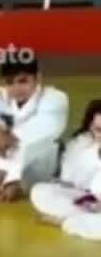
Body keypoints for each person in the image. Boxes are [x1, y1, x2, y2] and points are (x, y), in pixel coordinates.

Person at [0, 58, 69, 202]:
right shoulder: (0, 96)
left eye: (23, 81)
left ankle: (3, 178)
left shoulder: (55, 97)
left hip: (38, 168)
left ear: (38, 78)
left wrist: (6, 138)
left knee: (36, 139)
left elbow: (48, 126)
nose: (16, 88)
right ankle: (5, 183)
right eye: (10, 82)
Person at [29, 99, 101, 241]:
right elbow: (68, 180)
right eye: (99, 130)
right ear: (91, 127)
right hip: (87, 201)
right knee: (40, 191)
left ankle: (65, 221)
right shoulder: (80, 144)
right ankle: (82, 219)